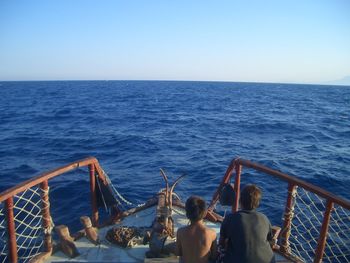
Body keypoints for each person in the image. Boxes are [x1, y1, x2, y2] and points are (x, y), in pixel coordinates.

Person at [219, 184, 276, 263]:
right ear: (258, 203)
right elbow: (270, 240)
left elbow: (221, 244)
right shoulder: (264, 218)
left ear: (240, 200)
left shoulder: (230, 218)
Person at [176, 196, 217, 263]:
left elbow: (178, 253)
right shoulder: (211, 233)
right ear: (205, 213)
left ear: (187, 214)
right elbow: (214, 256)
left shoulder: (180, 232)